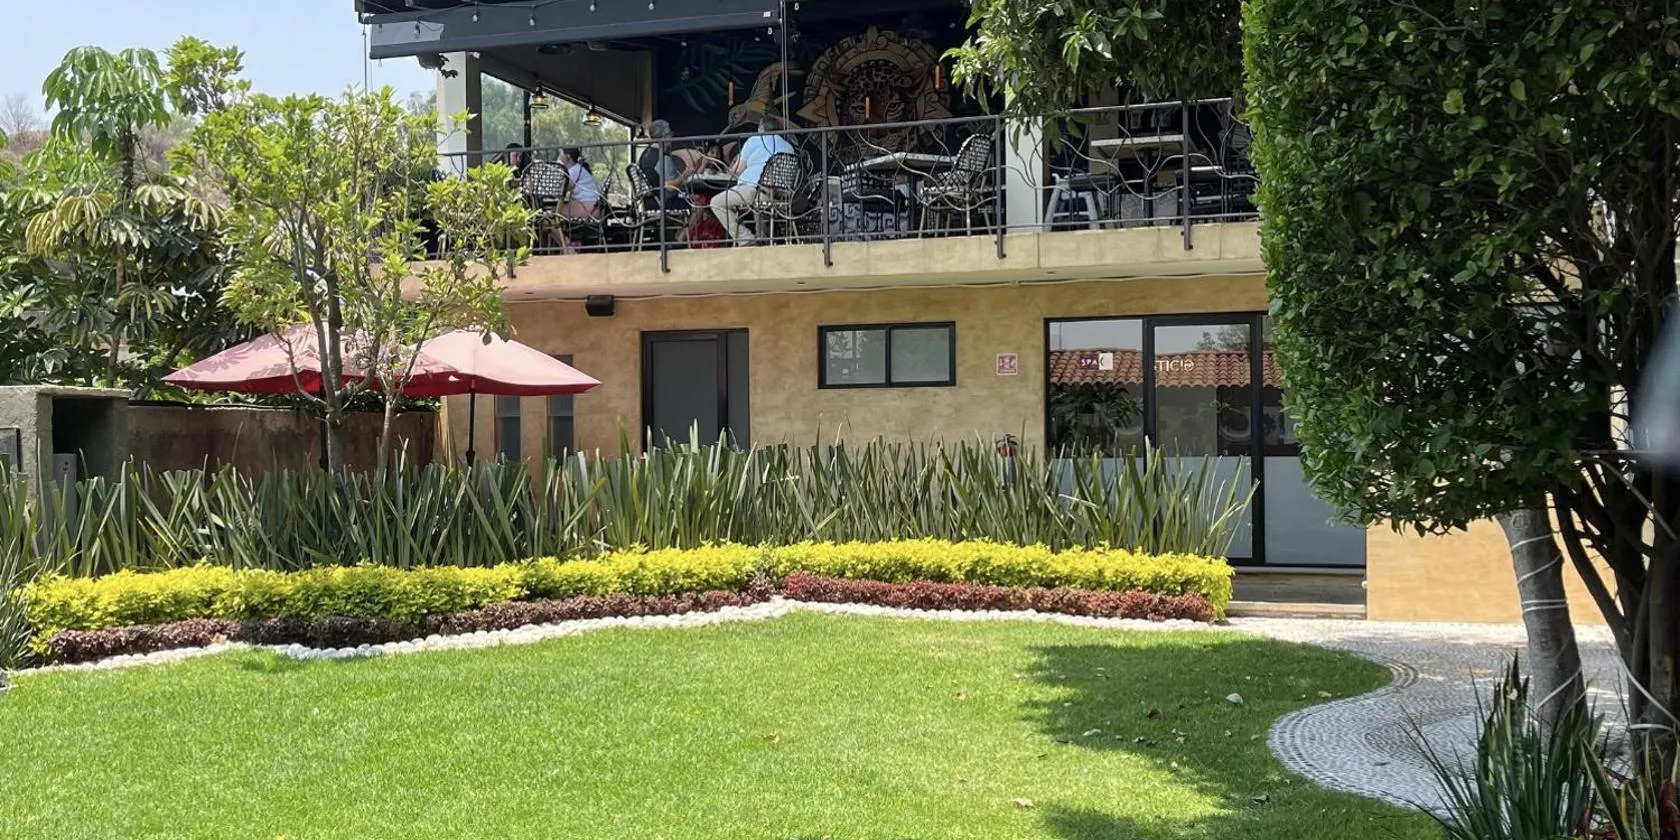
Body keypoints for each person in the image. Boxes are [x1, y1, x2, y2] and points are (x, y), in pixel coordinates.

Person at [711, 115, 796, 245]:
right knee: (758, 205)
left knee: (716, 203)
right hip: (780, 196)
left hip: (754, 191)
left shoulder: (754, 140)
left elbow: (736, 171)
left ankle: (746, 239)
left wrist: (733, 165)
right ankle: (763, 240)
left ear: (761, 128)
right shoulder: (789, 147)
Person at [637, 120, 690, 211]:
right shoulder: (663, 158)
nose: (672, 137)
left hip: (647, 201)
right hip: (665, 202)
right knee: (698, 203)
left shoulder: (644, 155)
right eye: (670, 134)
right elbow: (670, 187)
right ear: (664, 136)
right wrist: (686, 174)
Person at [560, 147, 601, 219]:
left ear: (568, 156)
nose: (560, 157)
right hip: (593, 204)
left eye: (561, 154)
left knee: (556, 211)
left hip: (589, 205)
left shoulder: (573, 171)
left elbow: (561, 188)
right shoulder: (577, 168)